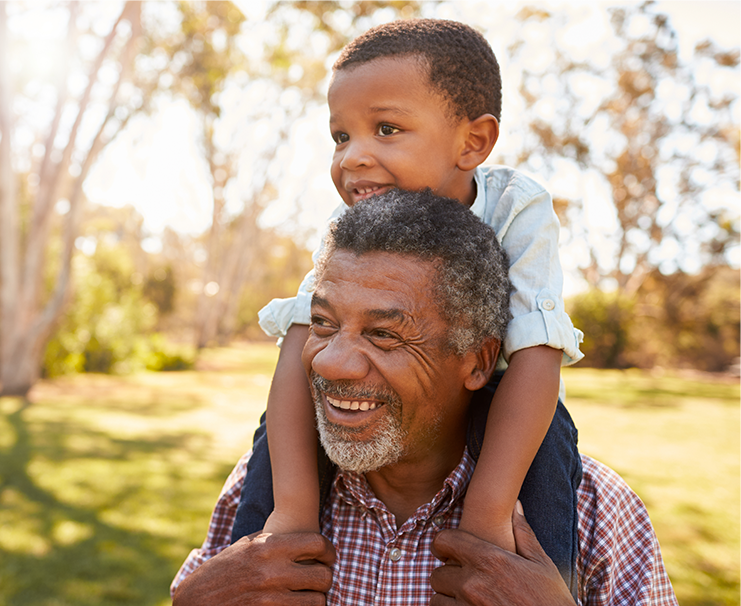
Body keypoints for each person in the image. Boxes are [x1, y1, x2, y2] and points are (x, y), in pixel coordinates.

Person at [170, 190, 677, 605]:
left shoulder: (594, 512)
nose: (328, 362)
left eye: (385, 335)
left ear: (478, 361)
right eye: (323, 324)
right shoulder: (262, 487)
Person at [232, 18, 585, 592]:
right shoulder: (350, 227)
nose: (353, 158)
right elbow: (301, 341)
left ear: (472, 142)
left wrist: (488, 515)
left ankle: (538, 584)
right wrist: (291, 511)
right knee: (277, 433)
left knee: (550, 451)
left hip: (506, 398)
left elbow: (537, 353)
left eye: (386, 129)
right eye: (341, 136)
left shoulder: (517, 208)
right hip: (388, 411)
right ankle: (252, 581)